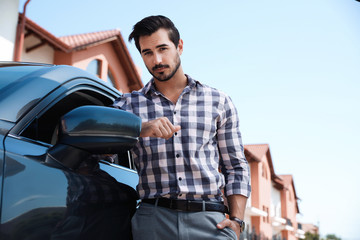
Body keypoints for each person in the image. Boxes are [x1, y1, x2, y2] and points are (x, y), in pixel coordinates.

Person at [113, 15, 251, 240]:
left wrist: (236, 221)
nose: (157, 59)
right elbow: (101, 144)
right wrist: (140, 127)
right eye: (147, 53)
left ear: (180, 46)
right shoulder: (127, 105)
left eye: (163, 48)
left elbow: (235, 166)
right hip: (153, 221)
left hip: (211, 222)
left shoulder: (218, 101)